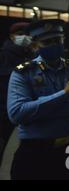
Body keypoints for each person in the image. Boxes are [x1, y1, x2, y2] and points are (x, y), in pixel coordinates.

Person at [7, 19, 69, 180]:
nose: (54, 44)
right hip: (36, 150)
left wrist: (39, 111)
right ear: (35, 46)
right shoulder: (23, 73)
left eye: (58, 40)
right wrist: (65, 95)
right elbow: (17, 113)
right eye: (47, 42)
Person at [0, 22, 33, 167]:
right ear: (11, 36)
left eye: (28, 34)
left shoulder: (31, 56)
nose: (25, 37)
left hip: (26, 114)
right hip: (4, 114)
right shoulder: (3, 56)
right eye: (20, 34)